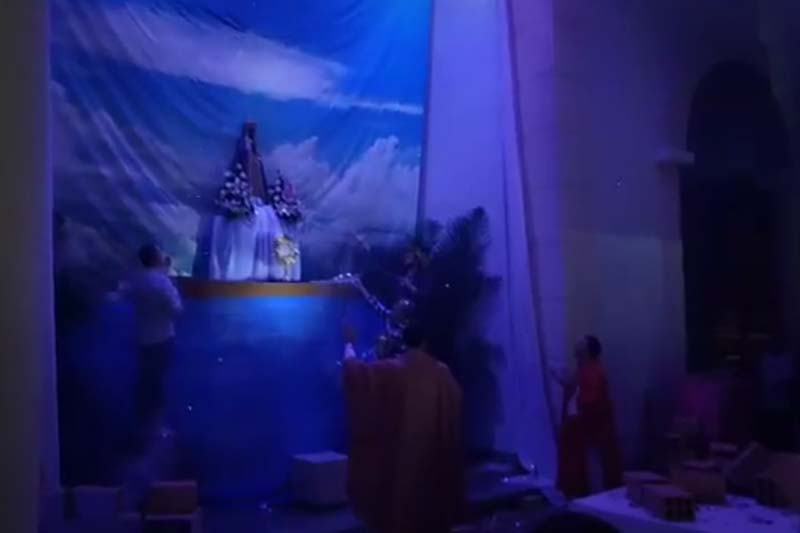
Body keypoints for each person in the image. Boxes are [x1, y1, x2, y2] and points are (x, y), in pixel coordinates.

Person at [342, 324, 464, 533]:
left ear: (402, 342)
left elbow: (355, 375)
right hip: (434, 464)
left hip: (400, 470)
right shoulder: (443, 374)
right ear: (425, 342)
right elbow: (455, 409)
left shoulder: (390, 370)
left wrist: (349, 344)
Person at [124, 244, 183, 453]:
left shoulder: (137, 280)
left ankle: (141, 425)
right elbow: (176, 310)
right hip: (162, 339)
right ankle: (156, 429)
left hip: (142, 338)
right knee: (157, 383)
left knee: (145, 382)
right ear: (156, 258)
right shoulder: (162, 283)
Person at [552, 335, 622, 499]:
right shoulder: (581, 370)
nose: (577, 342)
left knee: (589, 471)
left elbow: (591, 402)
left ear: (588, 349)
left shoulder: (594, 371)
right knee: (575, 469)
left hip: (587, 431)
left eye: (581, 341)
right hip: (576, 430)